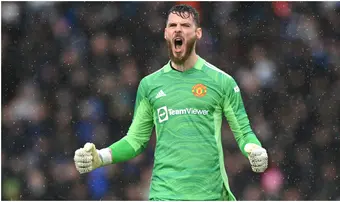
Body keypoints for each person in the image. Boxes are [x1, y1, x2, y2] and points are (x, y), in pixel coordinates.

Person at [74, 4, 268, 201]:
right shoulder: (150, 85)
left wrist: (255, 149)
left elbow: (244, 134)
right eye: (173, 25)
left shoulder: (222, 82)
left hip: (210, 195)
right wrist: (101, 157)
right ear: (166, 33)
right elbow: (135, 141)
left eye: (185, 25)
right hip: (165, 195)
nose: (178, 29)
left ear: (198, 33)